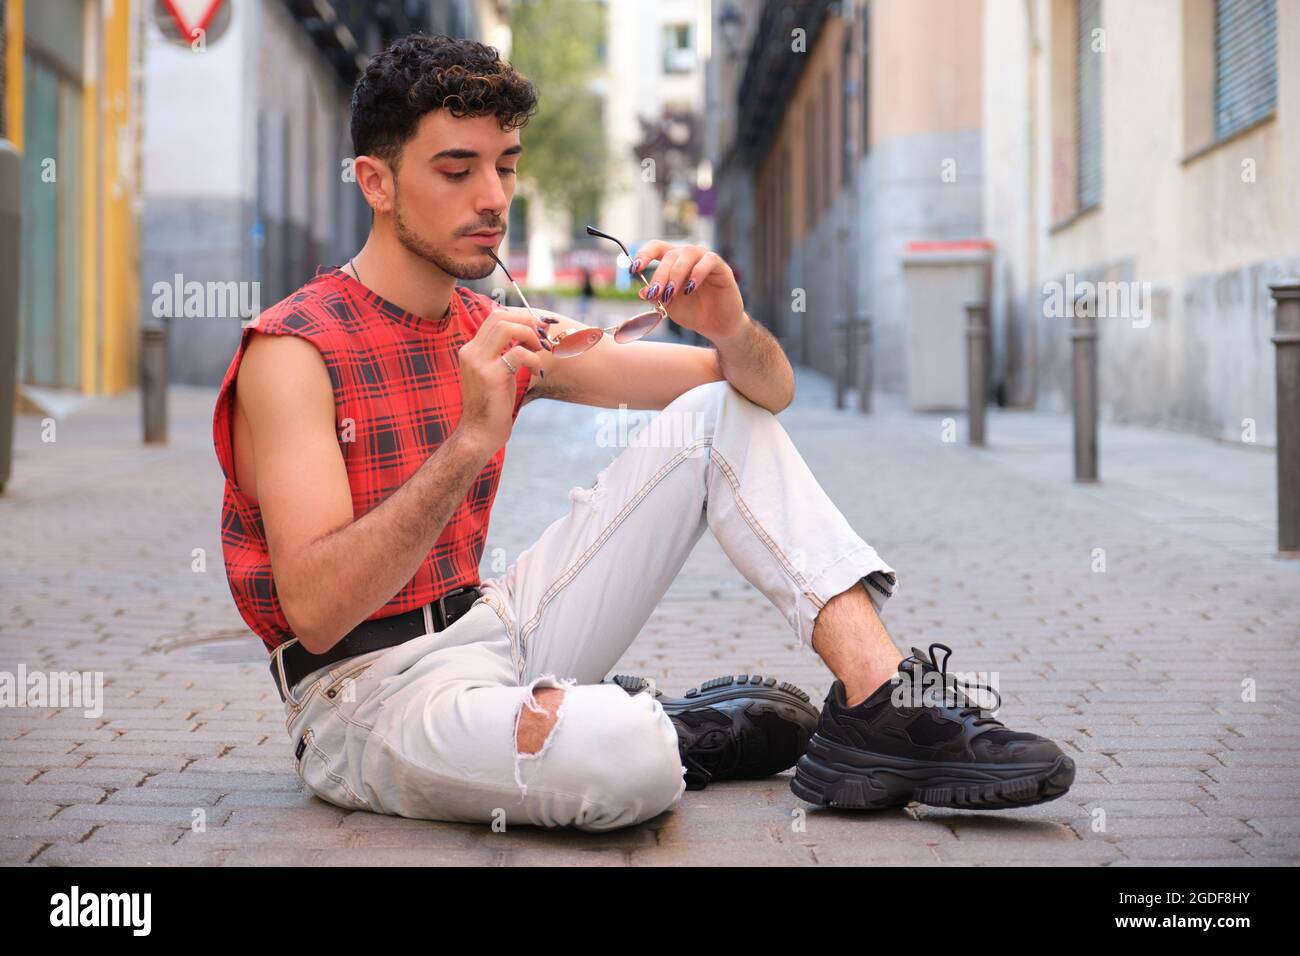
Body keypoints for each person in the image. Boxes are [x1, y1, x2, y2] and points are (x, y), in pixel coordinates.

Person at [212, 34, 1073, 833]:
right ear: (376, 181)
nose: (492, 199)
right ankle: (645, 723)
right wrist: (470, 438)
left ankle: (881, 702)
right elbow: (318, 616)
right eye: (456, 168)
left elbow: (757, 395)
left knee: (706, 419)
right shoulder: (294, 351)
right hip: (367, 699)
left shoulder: (495, 326)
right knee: (629, 765)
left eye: (506, 167)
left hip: (493, 630)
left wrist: (728, 325)